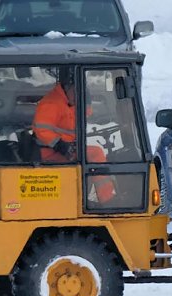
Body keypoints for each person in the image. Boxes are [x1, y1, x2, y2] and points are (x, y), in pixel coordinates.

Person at [32, 66, 115, 203]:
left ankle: (88, 197)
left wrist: (86, 101)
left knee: (92, 154)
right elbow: (42, 130)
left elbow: (84, 113)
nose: (78, 97)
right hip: (50, 152)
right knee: (95, 154)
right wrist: (60, 145)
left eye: (81, 94)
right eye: (77, 93)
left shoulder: (69, 101)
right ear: (69, 88)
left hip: (68, 148)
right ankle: (107, 199)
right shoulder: (52, 103)